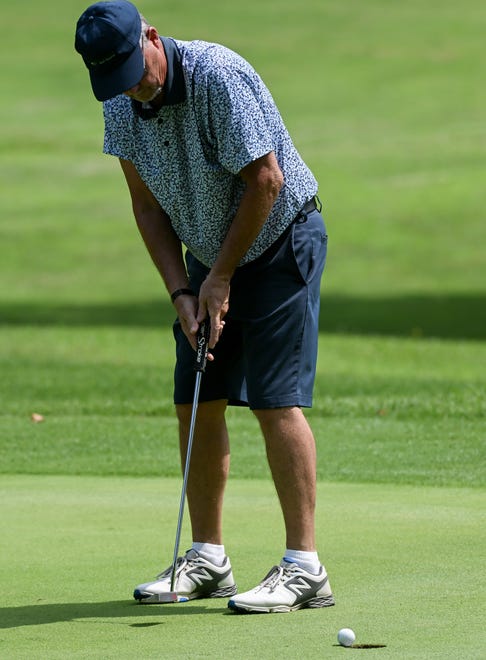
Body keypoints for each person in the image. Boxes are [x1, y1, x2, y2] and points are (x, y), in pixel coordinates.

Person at [75, 0, 334, 614]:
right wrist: (183, 291)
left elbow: (265, 181)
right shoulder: (119, 102)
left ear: (154, 38)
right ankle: (209, 558)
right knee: (196, 396)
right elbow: (145, 205)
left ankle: (306, 567)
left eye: (138, 68)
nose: (134, 86)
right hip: (208, 254)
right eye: (117, 79)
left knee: (275, 400)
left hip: (278, 240)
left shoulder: (218, 76)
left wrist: (219, 277)